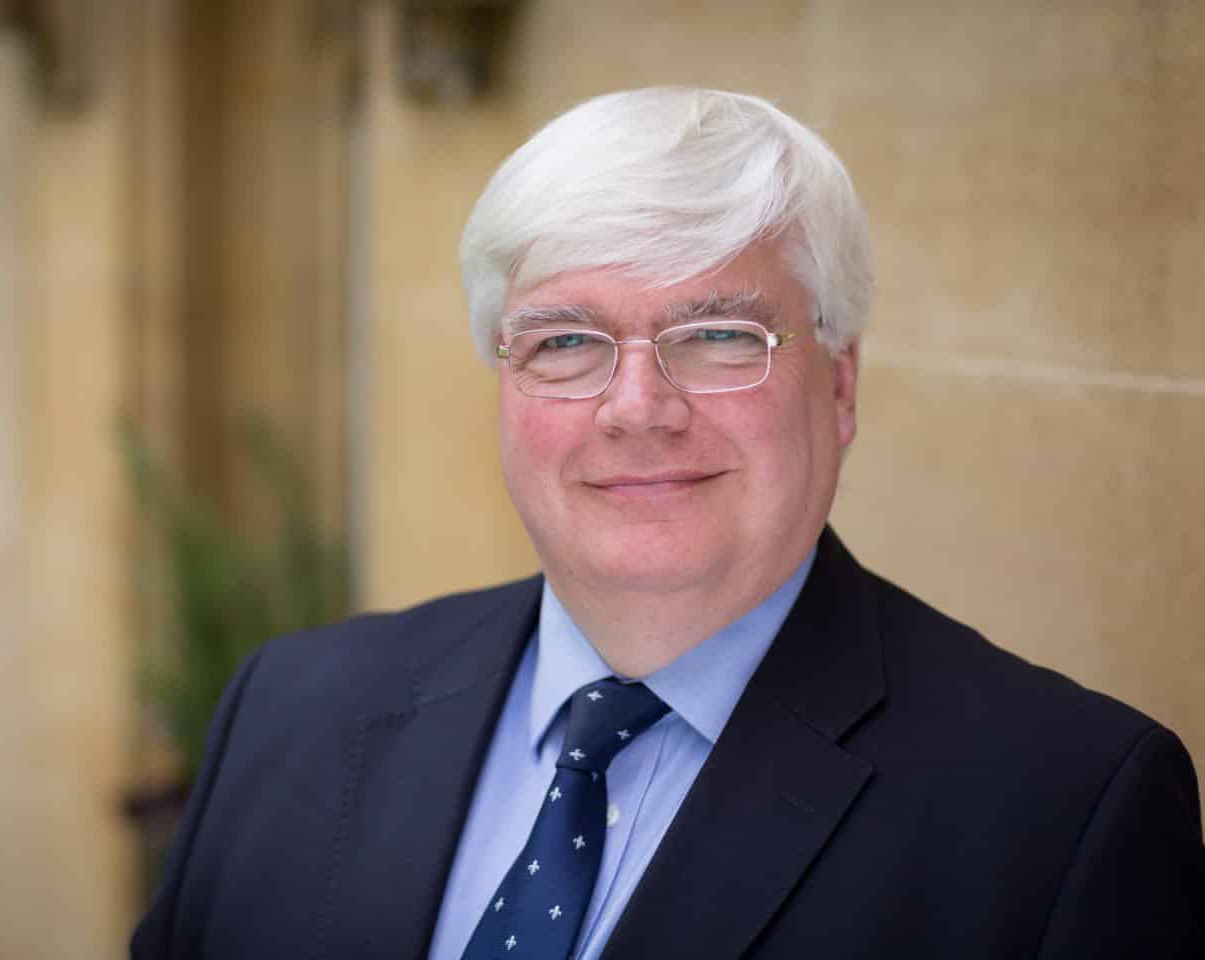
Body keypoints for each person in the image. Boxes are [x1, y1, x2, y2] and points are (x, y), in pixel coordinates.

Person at [132, 87, 1204, 959]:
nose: (638, 408)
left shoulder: (1062, 812)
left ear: (839, 386)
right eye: (564, 344)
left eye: (722, 337)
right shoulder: (291, 711)